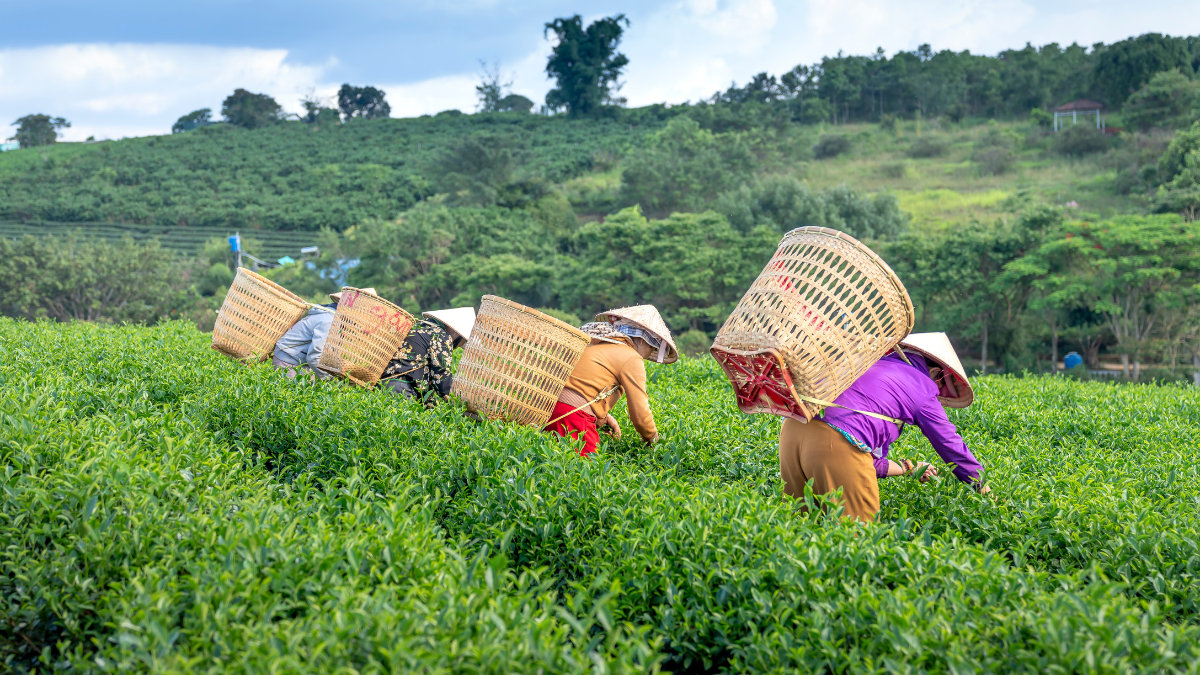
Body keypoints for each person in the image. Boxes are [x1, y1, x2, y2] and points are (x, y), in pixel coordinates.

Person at [779, 332, 988, 523]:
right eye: (940, 384)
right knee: (858, 540)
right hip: (834, 441)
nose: (937, 393)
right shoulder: (921, 386)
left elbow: (865, 462)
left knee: (802, 528)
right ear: (934, 371)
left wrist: (909, 468)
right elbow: (950, 444)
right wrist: (983, 487)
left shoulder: (871, 365)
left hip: (792, 429)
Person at [545, 305, 678, 457]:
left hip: (549, 408)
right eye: (652, 348)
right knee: (585, 473)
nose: (649, 355)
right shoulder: (631, 357)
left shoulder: (597, 344)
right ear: (643, 341)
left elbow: (581, 387)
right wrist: (652, 439)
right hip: (573, 417)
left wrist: (604, 417)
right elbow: (640, 412)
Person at [381, 307, 476, 402]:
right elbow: (441, 378)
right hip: (401, 389)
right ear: (457, 332)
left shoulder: (418, 327)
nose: (459, 346)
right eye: (464, 340)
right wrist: (460, 401)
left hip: (382, 386)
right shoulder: (440, 335)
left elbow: (426, 375)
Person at [271, 288, 364, 381]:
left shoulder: (329, 316)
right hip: (289, 361)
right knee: (300, 393)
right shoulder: (329, 321)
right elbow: (314, 357)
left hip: (298, 360)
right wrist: (333, 380)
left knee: (309, 390)